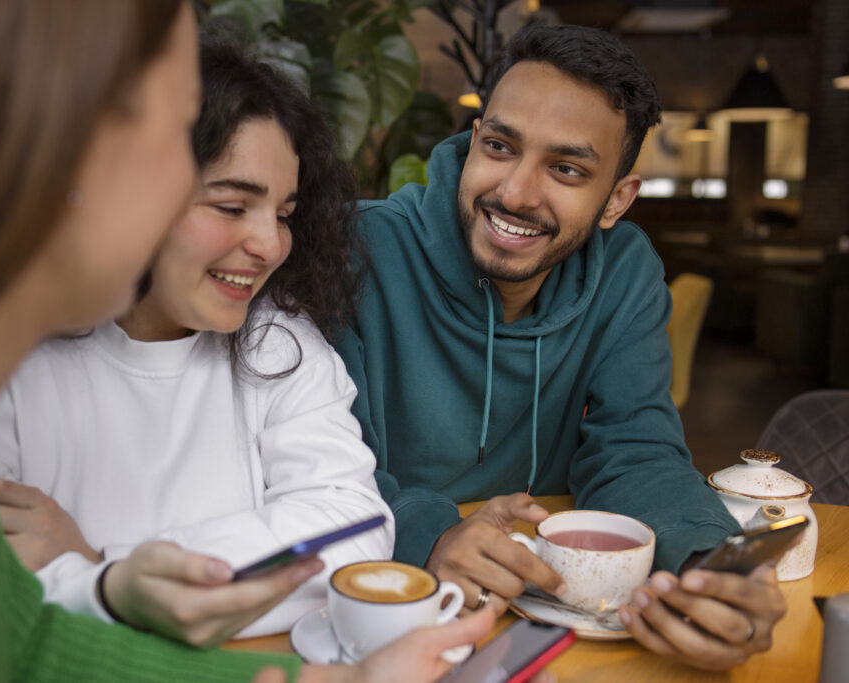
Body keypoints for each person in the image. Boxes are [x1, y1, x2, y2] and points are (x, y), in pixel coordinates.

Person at [0, 1, 496, 681]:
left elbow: (20, 639)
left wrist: (105, 575)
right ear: (49, 134)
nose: (266, 242)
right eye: (177, 130)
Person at [332, 23, 786, 671]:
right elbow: (320, 469)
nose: (515, 192)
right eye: (499, 145)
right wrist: (427, 533)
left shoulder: (624, 271)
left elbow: (637, 449)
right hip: (383, 607)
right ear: (472, 139)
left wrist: (709, 565)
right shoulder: (354, 252)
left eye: (567, 168)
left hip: (553, 611)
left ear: (616, 200)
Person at [0, 35, 393, 642]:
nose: (272, 244)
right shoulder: (6, 362)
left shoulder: (277, 342)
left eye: (283, 214)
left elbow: (354, 534)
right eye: (231, 206)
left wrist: (102, 570)